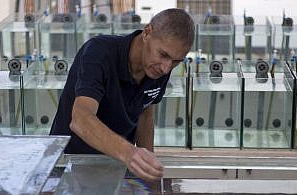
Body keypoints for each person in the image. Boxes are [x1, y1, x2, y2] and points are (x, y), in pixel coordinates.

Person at [50, 8, 195, 181]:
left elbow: (145, 113)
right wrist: (129, 153)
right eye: (163, 54)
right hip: (70, 164)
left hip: (115, 165)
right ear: (147, 32)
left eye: (176, 61)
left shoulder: (158, 68)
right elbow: (80, 119)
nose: (166, 68)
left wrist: (147, 169)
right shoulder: (98, 53)